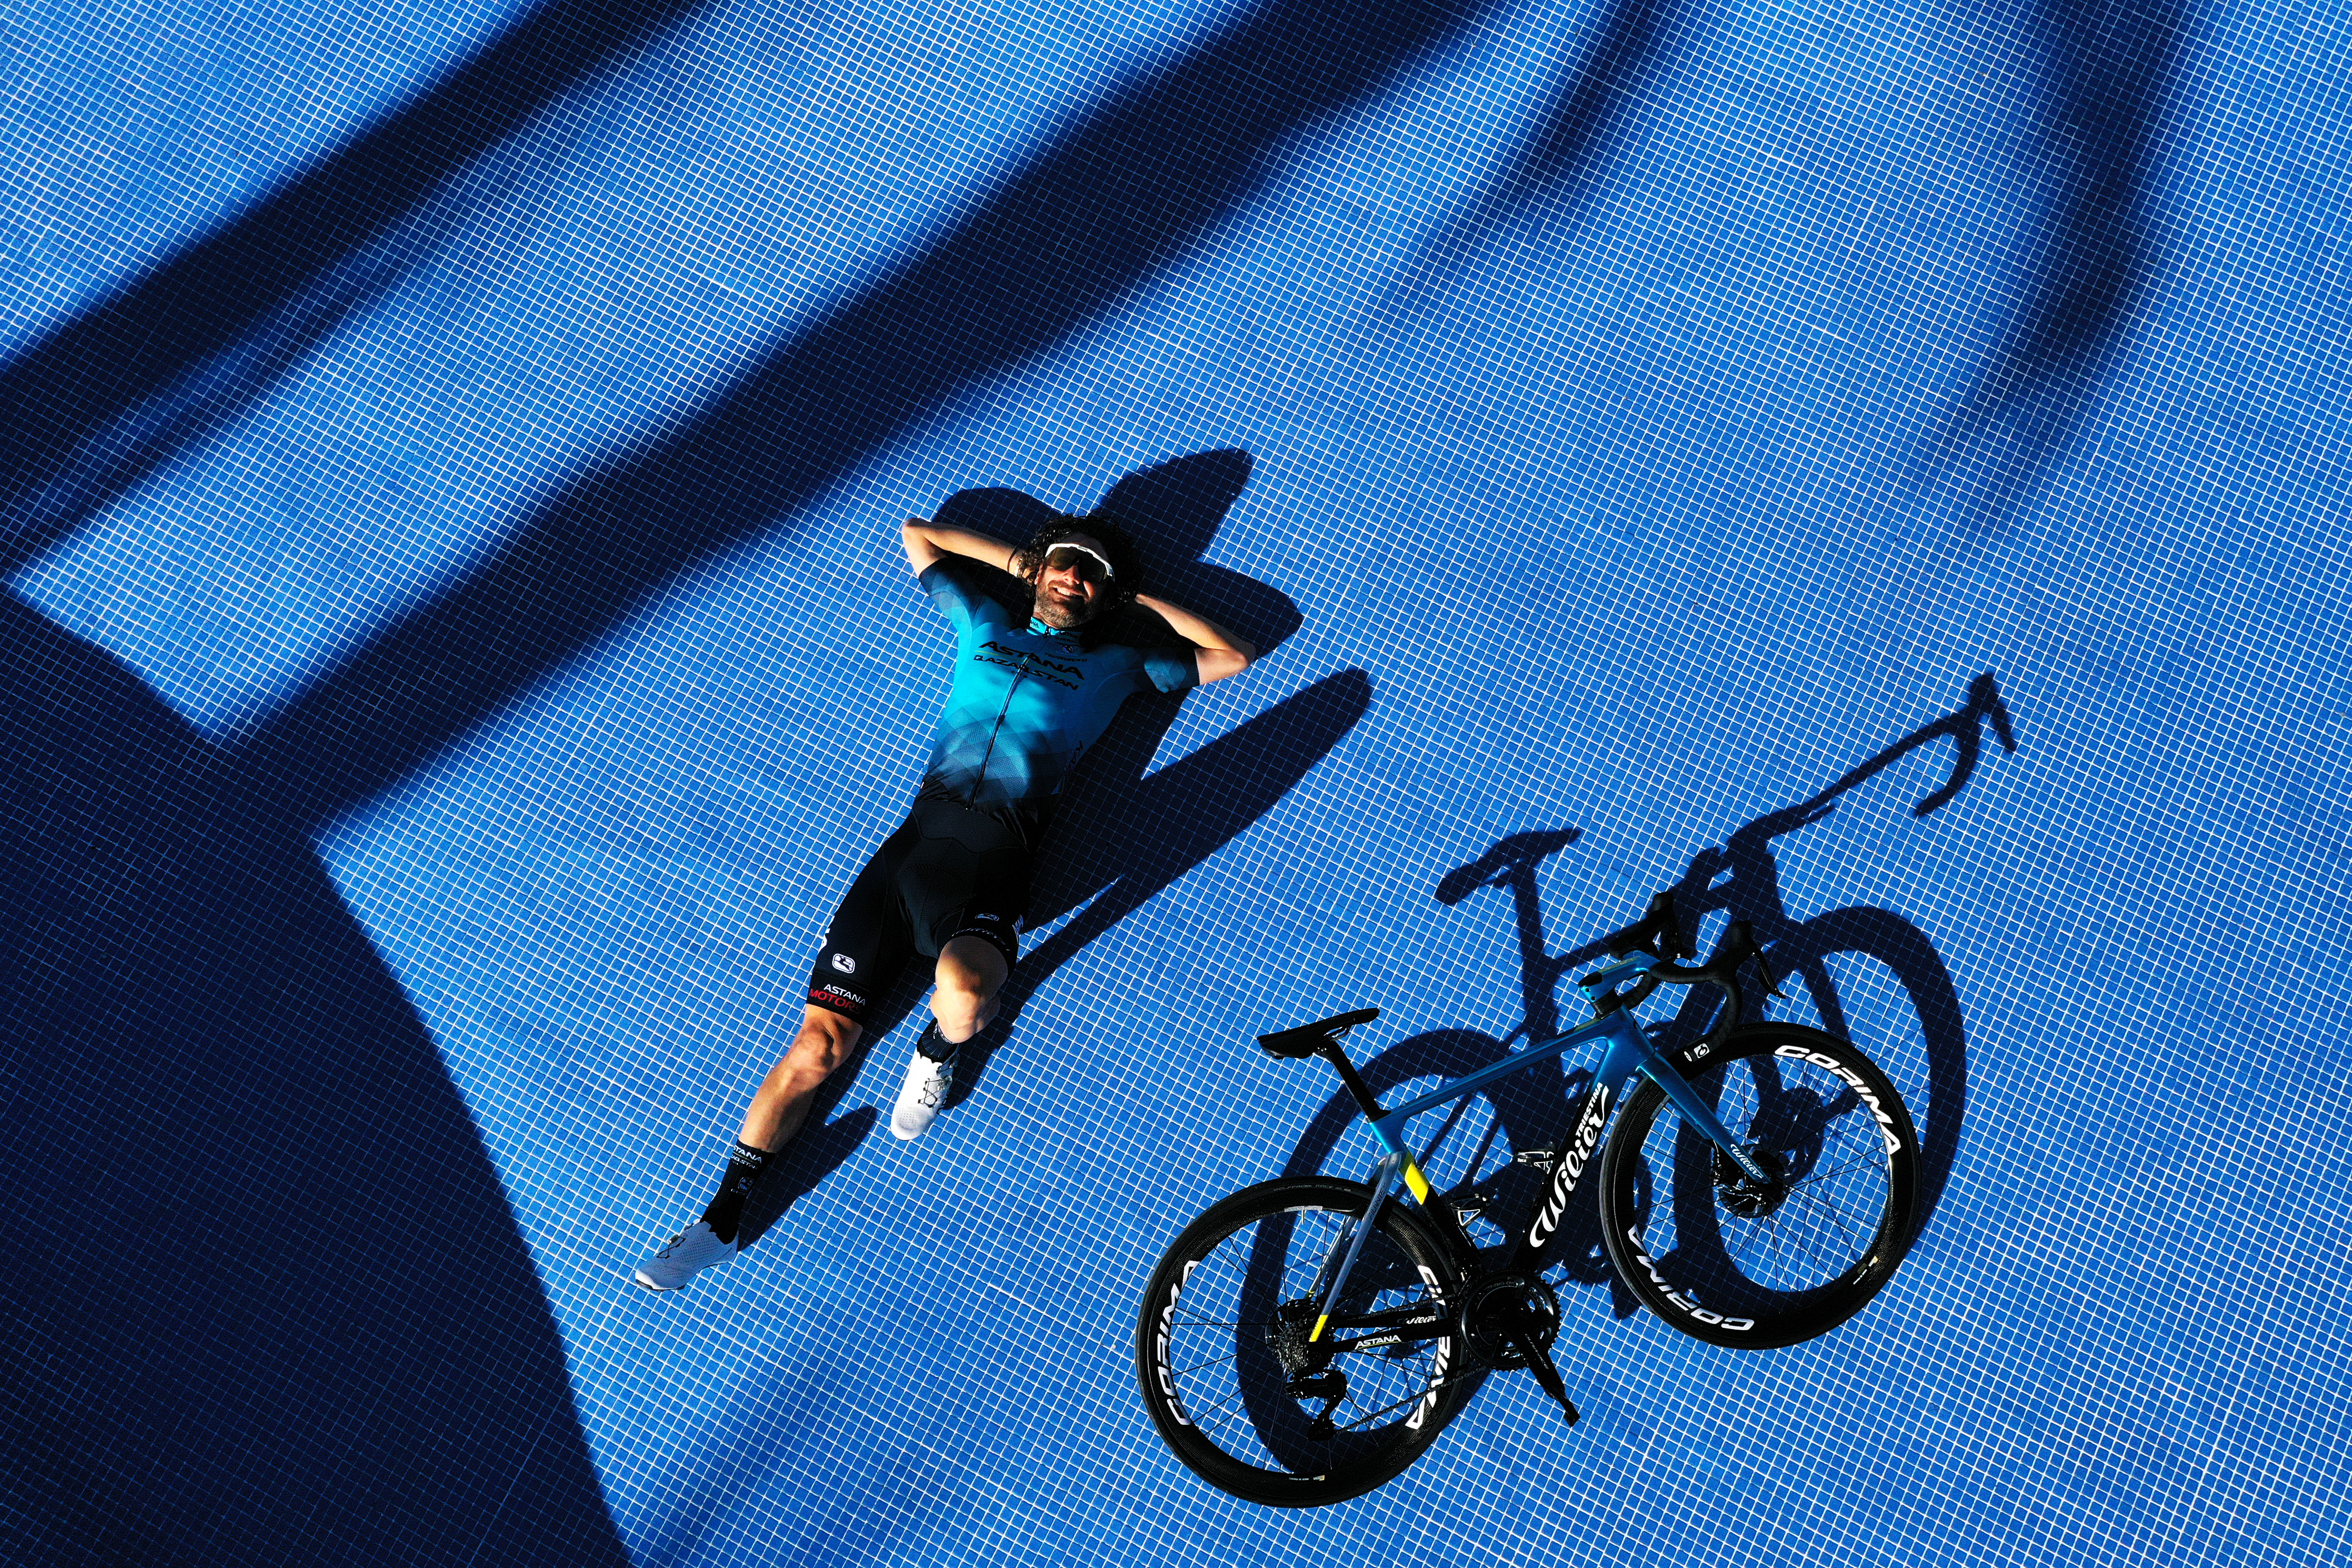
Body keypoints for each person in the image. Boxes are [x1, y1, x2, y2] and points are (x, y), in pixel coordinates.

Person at [634, 502, 1257, 1291]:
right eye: (1064, 562)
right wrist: (1026, 567)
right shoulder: (985, 621)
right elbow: (919, 532)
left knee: (960, 990)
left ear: (1107, 594)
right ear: (1038, 571)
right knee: (818, 1049)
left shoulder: (1118, 665)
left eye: (1092, 575)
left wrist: (1133, 606)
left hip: (994, 869)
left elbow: (1232, 654)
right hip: (905, 861)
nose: (1075, 577)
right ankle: (721, 1219)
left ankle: (937, 1055)